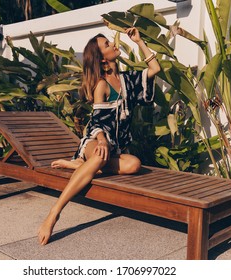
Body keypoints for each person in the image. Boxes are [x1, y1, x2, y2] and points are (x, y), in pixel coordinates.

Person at [37, 27, 161, 245]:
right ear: (103, 60)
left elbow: (154, 67)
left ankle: (80, 166)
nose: (114, 44)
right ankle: (54, 212)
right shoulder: (101, 85)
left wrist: (139, 41)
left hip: (114, 147)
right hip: (95, 142)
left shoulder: (128, 81)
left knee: (134, 164)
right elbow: (96, 121)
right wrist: (102, 140)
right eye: (107, 45)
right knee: (101, 155)